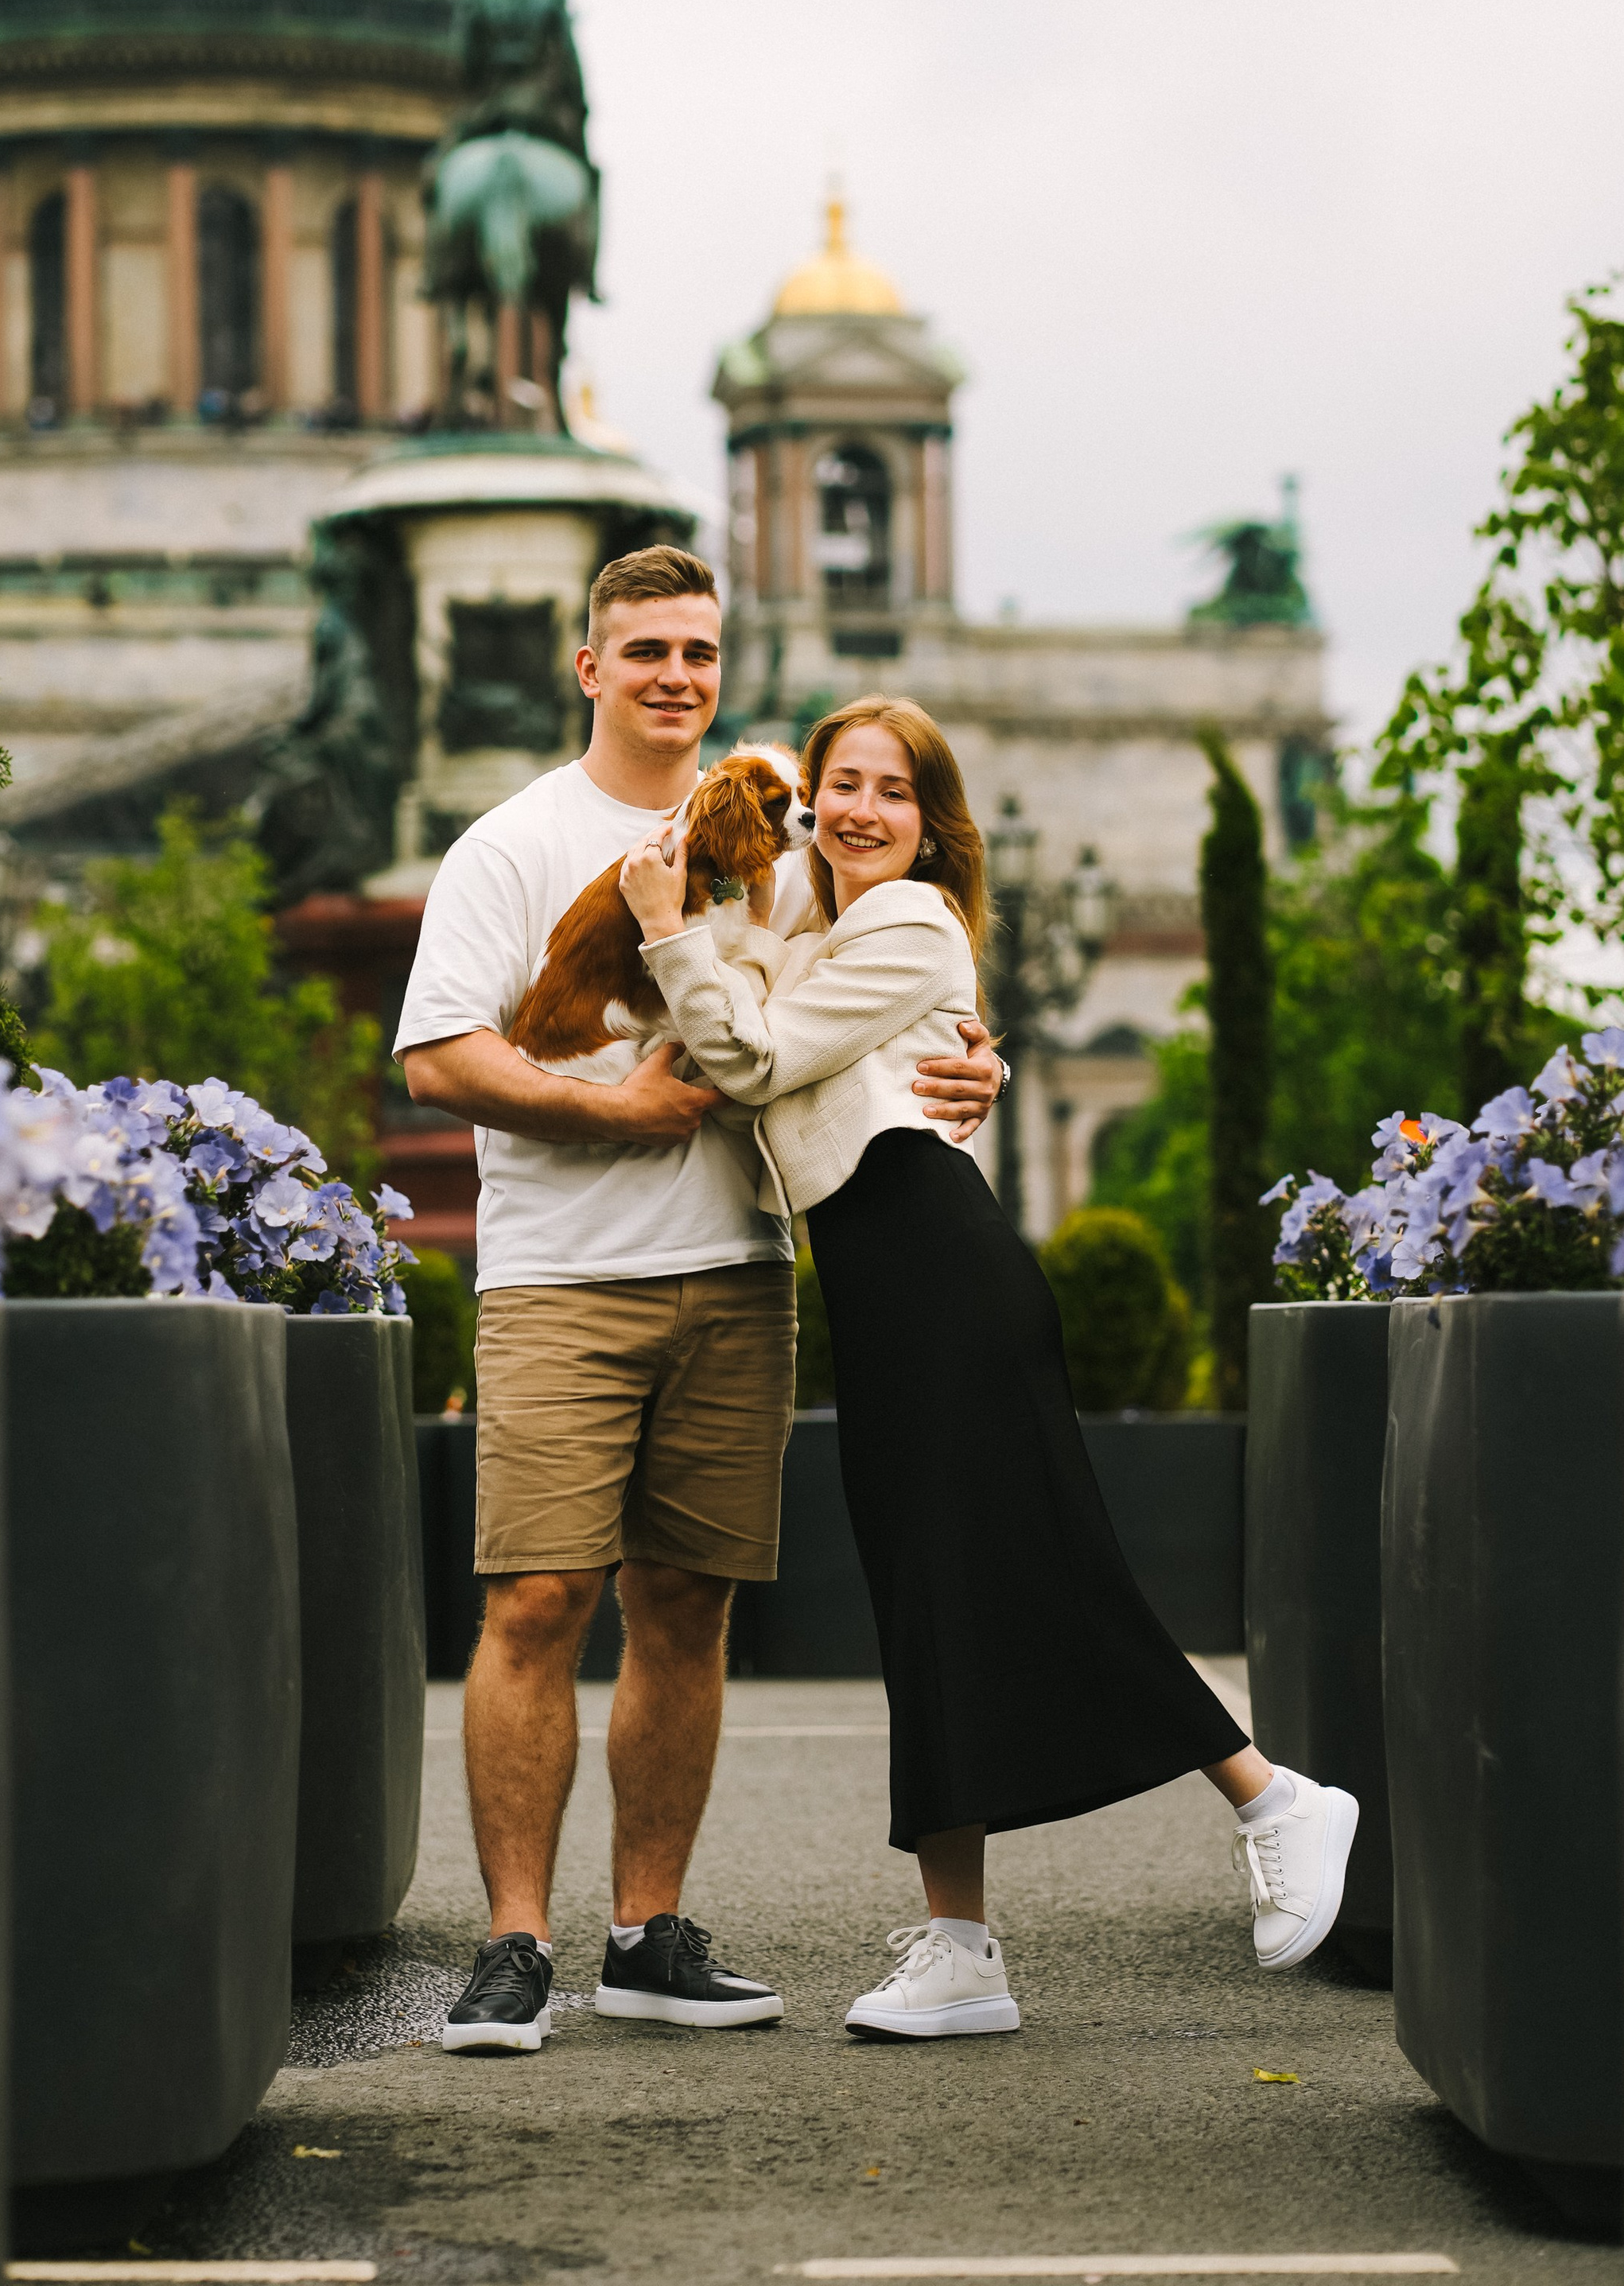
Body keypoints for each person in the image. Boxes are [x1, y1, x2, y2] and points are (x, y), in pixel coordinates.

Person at [619, 691, 1358, 2043]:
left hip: (943, 1279)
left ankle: (1272, 1796)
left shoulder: (905, 923)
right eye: (835, 785)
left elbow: (752, 1052)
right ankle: (960, 1947)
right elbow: (757, 1010)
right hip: (888, 1292)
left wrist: (672, 925)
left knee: (1042, 1564)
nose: (853, 810)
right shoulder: (827, 925)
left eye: (890, 792)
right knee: (930, 1606)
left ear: (932, 823)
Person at [394, 552, 1005, 2054]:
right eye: (645, 649)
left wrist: (975, 1065)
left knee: (688, 1607)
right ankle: (514, 1946)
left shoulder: (787, 852)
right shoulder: (512, 843)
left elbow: (853, 1012)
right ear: (589, 670)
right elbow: (436, 1061)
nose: (675, 673)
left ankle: (645, 1938)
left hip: (740, 1270)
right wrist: (619, 1114)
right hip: (564, 1277)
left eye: (699, 651)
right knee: (537, 1600)